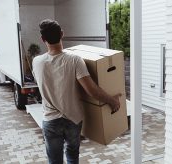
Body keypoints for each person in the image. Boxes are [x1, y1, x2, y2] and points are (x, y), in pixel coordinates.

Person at [32, 19, 121, 164]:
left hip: (50, 120)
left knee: (54, 161)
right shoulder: (74, 60)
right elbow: (92, 90)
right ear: (62, 34)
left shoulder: (37, 61)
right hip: (72, 120)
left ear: (42, 39)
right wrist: (112, 101)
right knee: (73, 157)